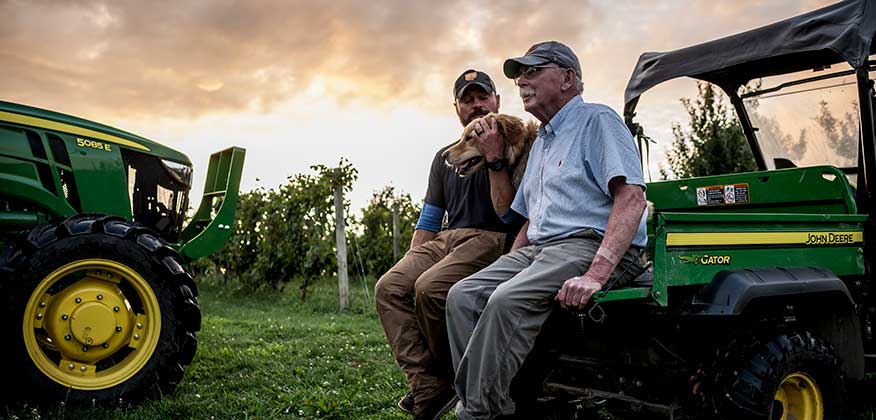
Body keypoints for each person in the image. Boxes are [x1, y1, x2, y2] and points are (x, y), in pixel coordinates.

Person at [446, 41, 649, 420]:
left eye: (533, 70)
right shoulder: (542, 139)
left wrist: (596, 274)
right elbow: (527, 218)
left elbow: (631, 199)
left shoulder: (597, 121)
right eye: (520, 73)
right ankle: (497, 402)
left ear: (568, 78)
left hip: (587, 245)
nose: (522, 79)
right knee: (464, 295)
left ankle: (477, 412)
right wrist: (509, 266)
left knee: (506, 300)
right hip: (540, 248)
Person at [374, 69, 517, 420]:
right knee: (390, 287)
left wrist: (495, 158)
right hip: (447, 239)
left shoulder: (517, 143)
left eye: (483, 97)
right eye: (467, 100)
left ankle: (459, 380)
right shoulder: (445, 157)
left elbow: (512, 215)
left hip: (491, 237)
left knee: (430, 288)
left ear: (496, 100)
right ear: (456, 108)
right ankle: (428, 385)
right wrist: (411, 260)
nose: (477, 105)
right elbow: (428, 221)